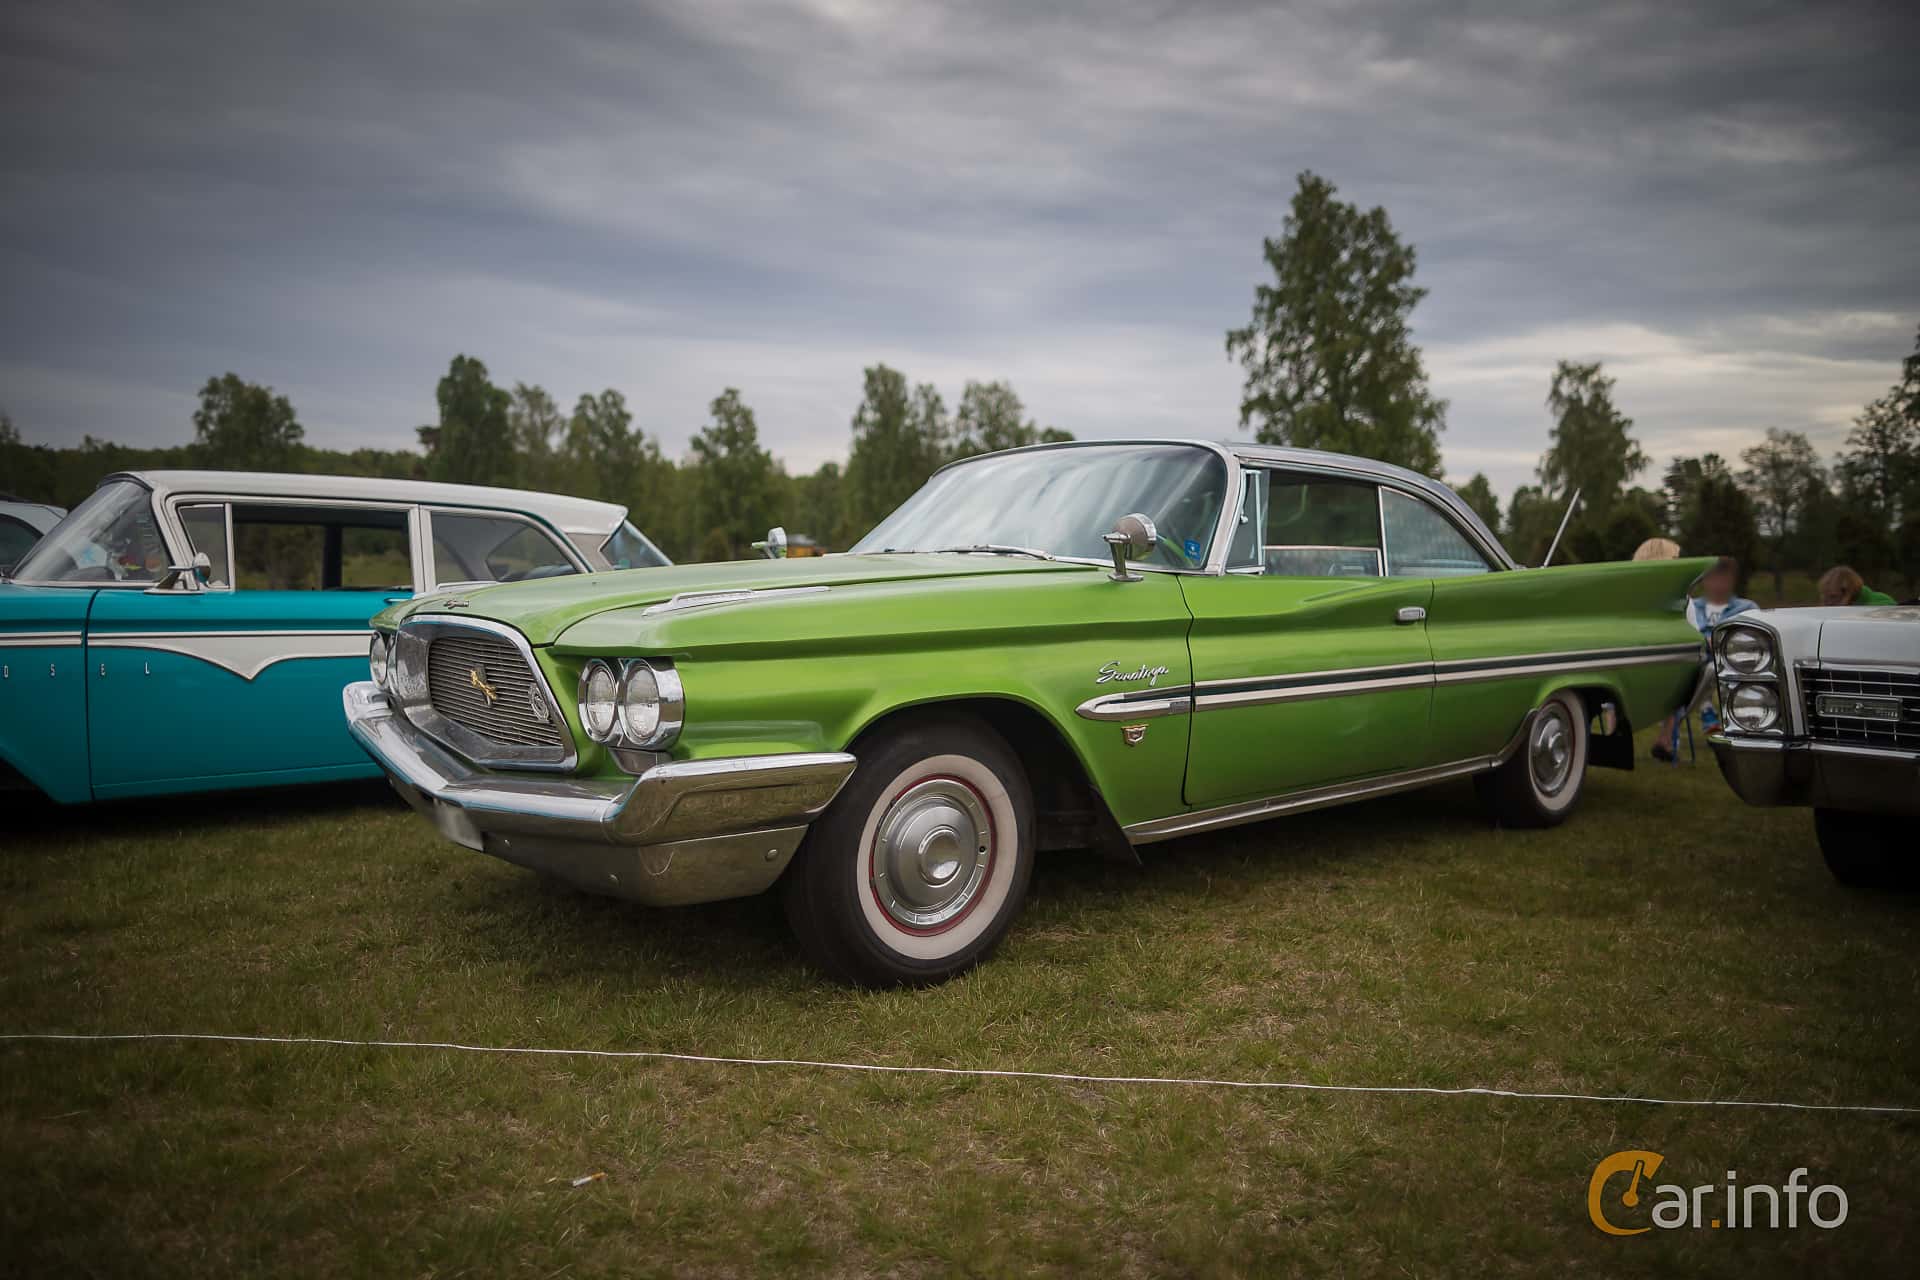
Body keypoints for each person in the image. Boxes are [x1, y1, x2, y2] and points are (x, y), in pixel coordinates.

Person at [1653, 556, 1755, 762]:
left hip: (1731, 664)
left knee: (1709, 670)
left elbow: (1753, 640)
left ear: (1732, 581)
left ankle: (1675, 732)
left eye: (1723, 579)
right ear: (1704, 581)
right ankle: (1703, 714)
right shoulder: (1691, 605)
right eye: (1713, 579)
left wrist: (1719, 642)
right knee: (1691, 673)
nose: (1718, 584)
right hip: (1693, 663)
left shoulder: (1747, 607)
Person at [1817, 565, 1897, 607]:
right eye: (1825, 596)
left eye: (1833, 597)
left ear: (1848, 592)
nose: (1828, 602)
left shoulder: (1882, 604)